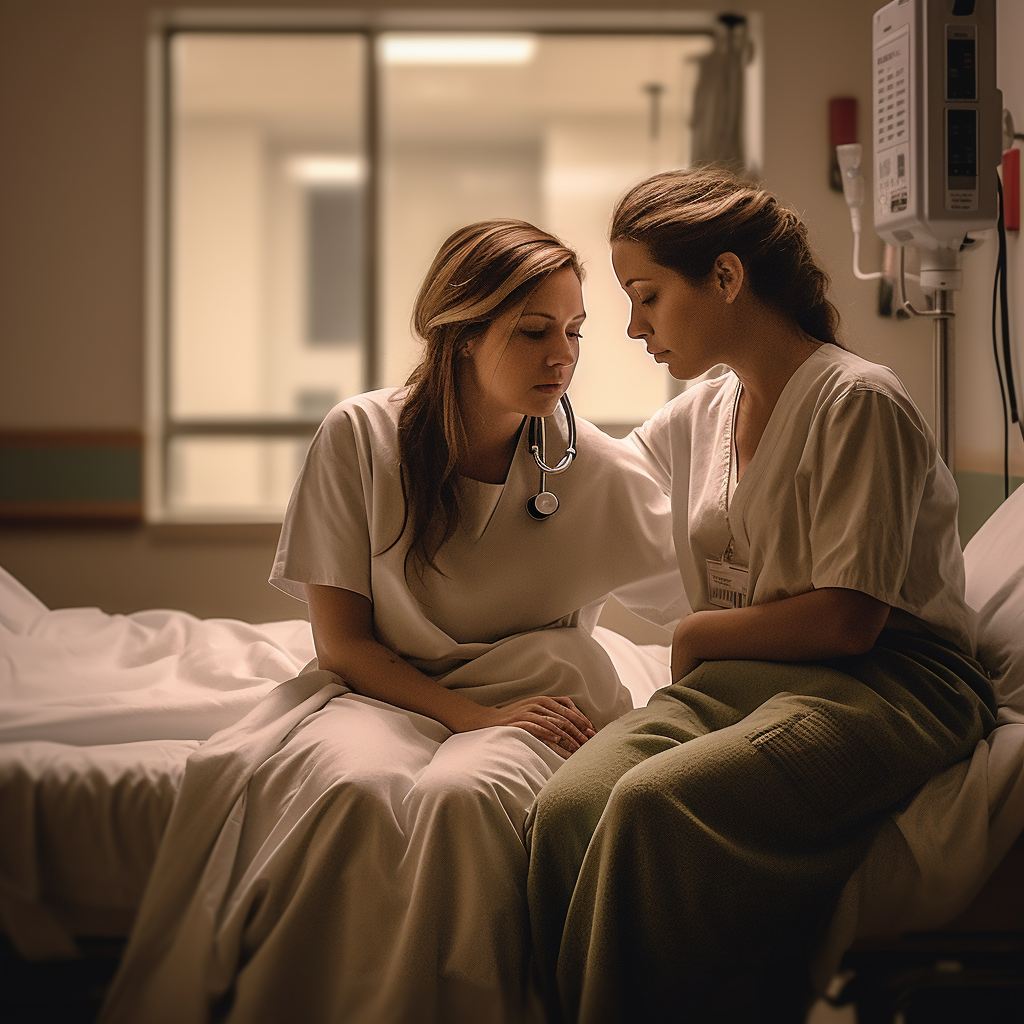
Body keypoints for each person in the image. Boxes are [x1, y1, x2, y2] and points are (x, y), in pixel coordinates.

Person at [99, 220, 684, 1024]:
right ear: (462, 333)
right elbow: (343, 645)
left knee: (462, 799)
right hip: (380, 692)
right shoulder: (361, 438)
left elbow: (713, 589)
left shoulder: (594, 465)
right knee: (354, 791)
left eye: (575, 332)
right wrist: (469, 715)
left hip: (541, 691)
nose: (564, 357)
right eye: (534, 331)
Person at [525, 168, 998, 1024]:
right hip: (750, 673)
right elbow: (600, 480)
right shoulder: (707, 408)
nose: (632, 328)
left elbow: (852, 620)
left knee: (648, 807)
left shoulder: (858, 403)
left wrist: (701, 633)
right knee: (567, 806)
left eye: (649, 297)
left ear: (729, 278)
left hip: (893, 684)